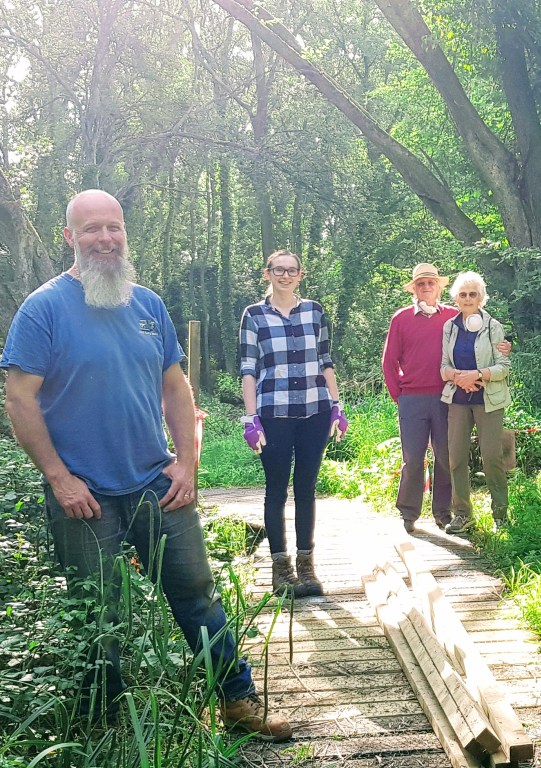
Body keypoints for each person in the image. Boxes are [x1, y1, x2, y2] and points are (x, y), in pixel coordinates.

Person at [0, 189, 290, 740]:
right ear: (70, 238)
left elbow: (176, 388)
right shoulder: (43, 309)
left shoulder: (148, 306)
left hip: (157, 484)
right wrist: (59, 479)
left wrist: (188, 464)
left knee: (197, 595)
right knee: (99, 612)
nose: (105, 238)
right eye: (91, 229)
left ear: (125, 233)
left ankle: (235, 702)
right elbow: (19, 398)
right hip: (84, 495)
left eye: (113, 227)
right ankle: (109, 725)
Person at [239, 250, 346, 598]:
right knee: (276, 490)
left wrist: (336, 405)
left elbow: (326, 360)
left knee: (306, 489)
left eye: (291, 270)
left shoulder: (314, 311)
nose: (285, 275)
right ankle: (280, 569)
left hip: (314, 410)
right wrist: (251, 417)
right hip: (274, 413)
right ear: (267, 273)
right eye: (278, 270)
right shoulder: (254, 315)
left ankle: (307, 566)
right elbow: (248, 369)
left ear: (300, 275)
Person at [381, 263, 510, 534]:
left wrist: (505, 347)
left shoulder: (456, 317)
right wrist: (399, 396)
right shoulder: (403, 318)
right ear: (414, 288)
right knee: (413, 458)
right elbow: (389, 362)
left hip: (445, 397)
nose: (426, 287)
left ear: (440, 287)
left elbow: (493, 346)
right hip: (414, 398)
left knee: (445, 457)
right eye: (421, 283)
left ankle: (443, 512)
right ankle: (408, 512)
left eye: (431, 282)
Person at [440, 271, 512, 534]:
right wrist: (461, 379)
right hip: (457, 399)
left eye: (473, 294)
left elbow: (504, 366)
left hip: (488, 401)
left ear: (481, 298)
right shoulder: (449, 327)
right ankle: (462, 514)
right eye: (463, 294)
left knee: (492, 456)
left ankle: (501, 515)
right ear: (456, 298)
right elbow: (443, 366)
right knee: (456, 458)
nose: (468, 298)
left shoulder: (493, 327)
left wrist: (478, 375)